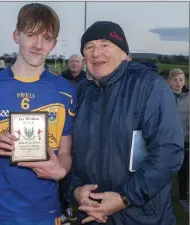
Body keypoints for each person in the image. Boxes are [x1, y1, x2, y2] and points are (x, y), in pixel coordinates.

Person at [0, 3, 76, 225]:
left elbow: (65, 151)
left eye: (47, 38)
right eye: (31, 35)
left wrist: (61, 170)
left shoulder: (65, 92)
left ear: (54, 44)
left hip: (45, 212)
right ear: (16, 35)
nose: (38, 45)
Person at [69, 21, 184, 225]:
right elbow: (66, 151)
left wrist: (125, 197)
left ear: (124, 54)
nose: (96, 53)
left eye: (105, 45)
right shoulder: (80, 93)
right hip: (91, 215)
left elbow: (168, 151)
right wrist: (76, 190)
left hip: (142, 217)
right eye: (89, 47)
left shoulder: (149, 87)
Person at [168, 68, 189, 211]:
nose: (178, 82)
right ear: (169, 81)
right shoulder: (163, 96)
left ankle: (182, 199)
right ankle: (164, 198)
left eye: (181, 80)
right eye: (175, 79)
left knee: (184, 173)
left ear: (185, 82)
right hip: (166, 143)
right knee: (166, 173)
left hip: (184, 142)